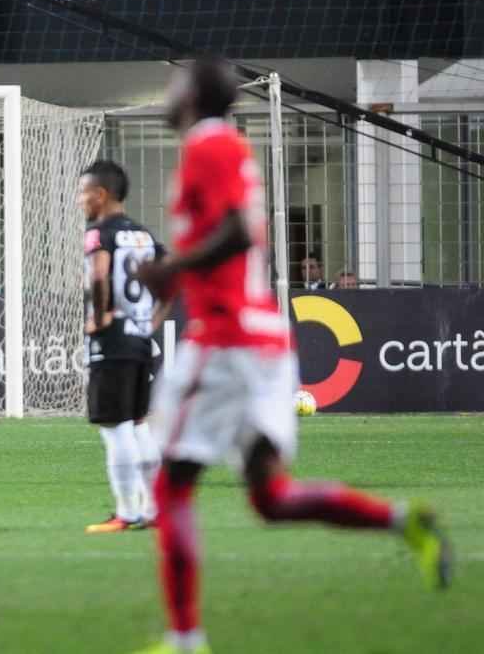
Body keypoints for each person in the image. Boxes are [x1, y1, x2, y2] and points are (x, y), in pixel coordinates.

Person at [129, 59, 450, 654]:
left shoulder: (208, 143)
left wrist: (172, 268)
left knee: (170, 485)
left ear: (194, 95)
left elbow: (235, 232)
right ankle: (402, 520)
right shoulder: (225, 148)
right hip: (262, 343)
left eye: (175, 84)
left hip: (225, 341)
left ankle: (185, 639)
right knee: (270, 499)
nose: (168, 94)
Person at [77, 160, 164, 532]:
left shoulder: (99, 233)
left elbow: (99, 274)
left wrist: (100, 316)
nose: (80, 200)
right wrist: (151, 323)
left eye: (83, 193)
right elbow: (173, 278)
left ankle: (127, 512)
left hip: (112, 341)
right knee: (138, 424)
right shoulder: (143, 235)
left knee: (115, 426)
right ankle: (156, 509)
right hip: (141, 340)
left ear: (100, 194)